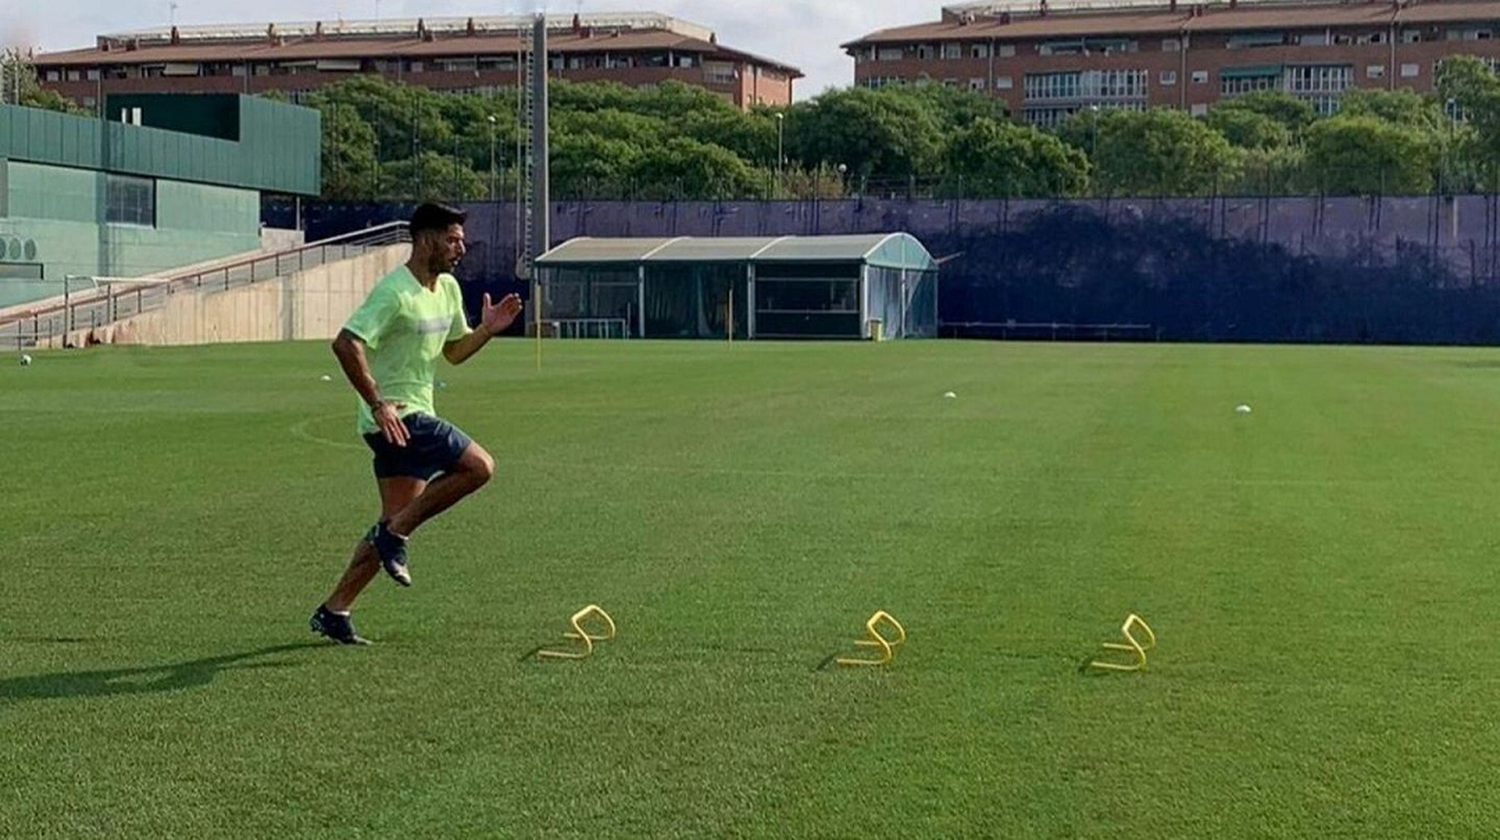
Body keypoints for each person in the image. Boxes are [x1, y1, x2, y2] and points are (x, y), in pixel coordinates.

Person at [310, 202, 523, 645]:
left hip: (408, 422)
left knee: (390, 521)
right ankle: (396, 534)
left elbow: (454, 352)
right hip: (399, 418)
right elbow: (346, 344)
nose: (460, 248)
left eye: (462, 239)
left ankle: (336, 609)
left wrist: (486, 330)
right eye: (452, 238)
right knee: (479, 467)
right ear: (425, 238)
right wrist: (378, 404)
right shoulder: (394, 291)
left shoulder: (446, 288)